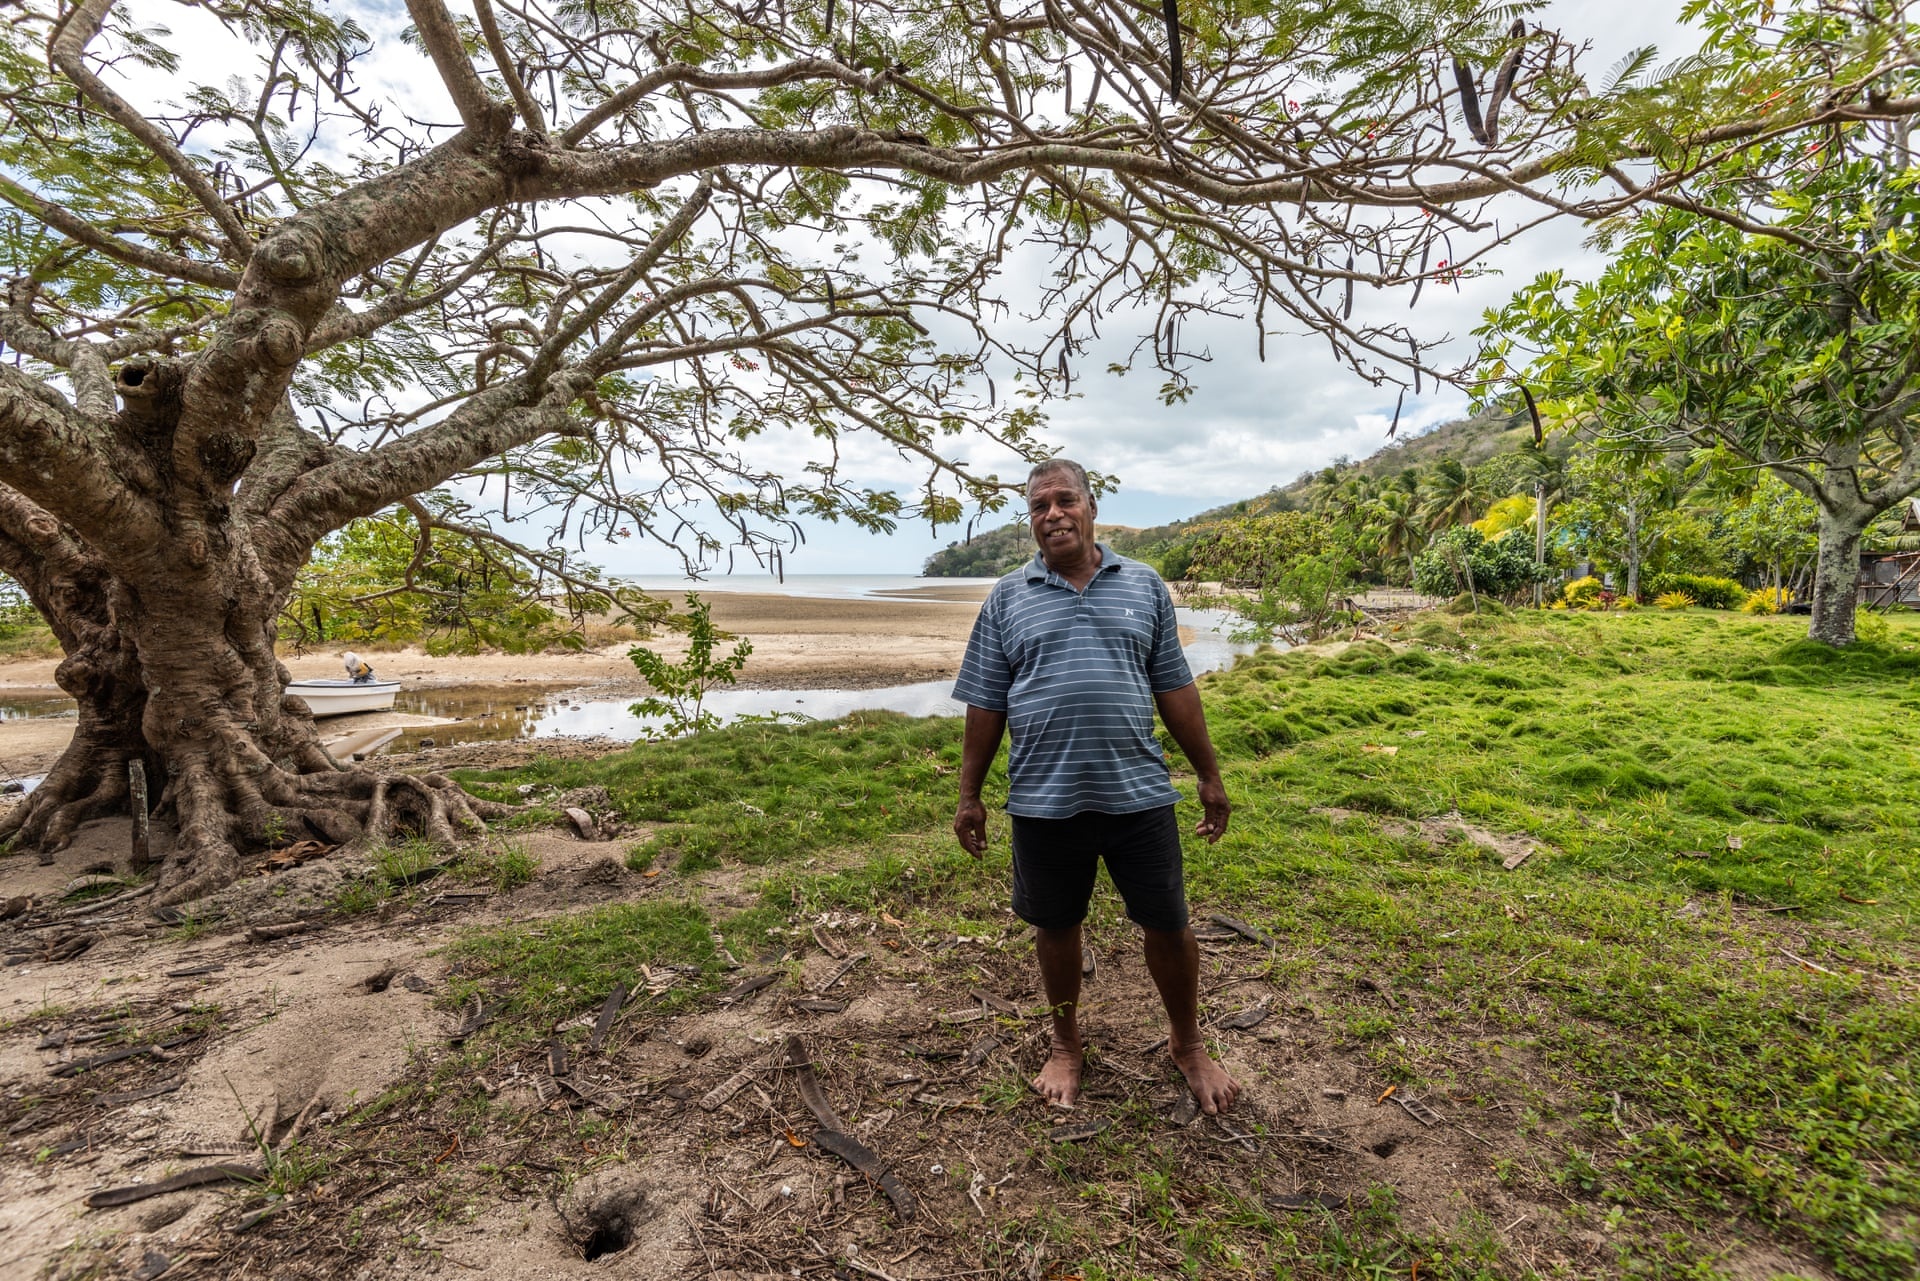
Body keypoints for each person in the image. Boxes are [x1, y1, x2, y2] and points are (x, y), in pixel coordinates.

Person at [952, 458, 1239, 1115]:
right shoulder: (1006, 596)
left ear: (1091, 506)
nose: (1050, 514)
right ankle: (1066, 1043)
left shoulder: (1142, 585)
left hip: (1138, 791)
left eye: (1063, 501)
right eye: (1037, 506)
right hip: (1043, 798)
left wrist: (1208, 773)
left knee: (1169, 923)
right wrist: (970, 795)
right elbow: (985, 703)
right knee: (1055, 926)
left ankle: (1187, 1043)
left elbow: (1175, 688)